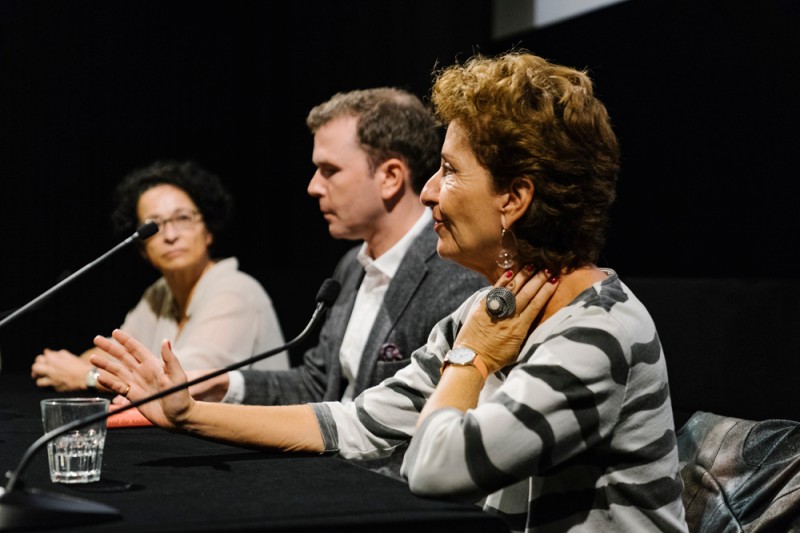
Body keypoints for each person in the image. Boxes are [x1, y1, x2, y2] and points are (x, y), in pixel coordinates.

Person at [92, 51, 688, 532]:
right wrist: (191, 413)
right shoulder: (483, 311)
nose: (429, 192)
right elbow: (355, 423)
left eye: (450, 170)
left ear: (514, 198)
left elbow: (438, 469)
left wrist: (472, 358)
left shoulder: (596, 330)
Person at [182, 88, 487, 475]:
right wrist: (222, 385)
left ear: (391, 177)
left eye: (329, 170)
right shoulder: (351, 265)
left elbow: (426, 423)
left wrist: (195, 414)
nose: (313, 186)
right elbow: (318, 383)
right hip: (329, 473)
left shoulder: (457, 272)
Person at [31, 160, 289, 392]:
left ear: (208, 231)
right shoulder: (159, 294)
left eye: (183, 218)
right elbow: (115, 352)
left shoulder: (236, 292)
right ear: (142, 248)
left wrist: (88, 376)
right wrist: (65, 364)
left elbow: (181, 383)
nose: (170, 235)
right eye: (154, 226)